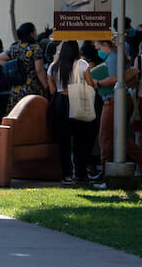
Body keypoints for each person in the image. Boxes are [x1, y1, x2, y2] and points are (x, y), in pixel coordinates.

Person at [93, 36, 142, 172]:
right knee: (117, 136)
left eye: (98, 47)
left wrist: (98, 83)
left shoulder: (112, 58)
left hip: (113, 101)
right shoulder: (117, 56)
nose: (97, 50)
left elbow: (115, 78)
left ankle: (106, 169)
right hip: (119, 99)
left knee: (106, 136)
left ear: (105, 44)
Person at [46, 40, 96, 184]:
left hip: (61, 102)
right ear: (76, 50)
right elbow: (90, 85)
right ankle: (80, 174)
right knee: (81, 138)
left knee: (64, 140)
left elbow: (52, 90)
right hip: (78, 100)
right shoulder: (82, 65)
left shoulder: (53, 67)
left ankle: (66, 174)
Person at [0, 22, 49, 113]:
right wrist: (46, 86)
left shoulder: (14, 48)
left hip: (17, 89)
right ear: (31, 34)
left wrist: (14, 67)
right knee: (32, 115)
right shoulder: (36, 49)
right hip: (32, 89)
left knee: (16, 116)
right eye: (35, 31)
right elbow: (39, 70)